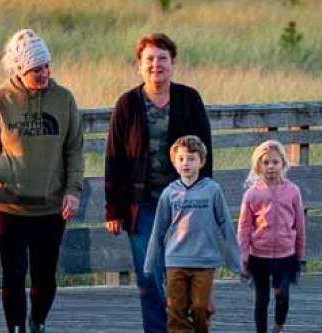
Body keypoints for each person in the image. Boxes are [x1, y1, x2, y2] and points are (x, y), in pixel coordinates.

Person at [0, 28, 83, 333]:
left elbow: (74, 149)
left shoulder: (64, 99)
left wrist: (73, 191)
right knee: (13, 274)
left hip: (51, 206)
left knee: (45, 276)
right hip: (8, 206)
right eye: (37, 69)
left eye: (47, 66)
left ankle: (38, 321)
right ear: (21, 69)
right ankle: (16, 327)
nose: (44, 73)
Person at [104, 32, 213, 333]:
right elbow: (114, 158)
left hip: (185, 204)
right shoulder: (127, 103)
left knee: (184, 272)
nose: (156, 65)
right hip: (142, 205)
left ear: (173, 63)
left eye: (162, 58)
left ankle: (186, 327)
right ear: (139, 65)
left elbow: (206, 152)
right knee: (149, 275)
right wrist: (113, 209)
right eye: (149, 59)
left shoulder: (189, 99)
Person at [144, 135, 244, 333]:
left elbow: (225, 225)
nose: (186, 163)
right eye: (181, 159)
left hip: (204, 261)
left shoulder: (212, 190)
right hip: (175, 261)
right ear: (174, 162)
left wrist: (236, 262)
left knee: (199, 308)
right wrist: (149, 263)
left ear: (201, 161)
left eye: (191, 158)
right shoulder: (169, 193)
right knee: (175, 311)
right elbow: (158, 230)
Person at [237, 140, 307, 333]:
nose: (270, 167)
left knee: (282, 295)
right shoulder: (252, 194)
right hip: (259, 255)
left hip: (286, 255)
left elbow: (299, 223)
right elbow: (244, 228)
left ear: (283, 164)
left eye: (275, 162)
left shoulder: (293, 191)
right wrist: (242, 257)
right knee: (262, 299)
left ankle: (279, 324)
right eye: (265, 163)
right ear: (258, 166)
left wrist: (300, 253)